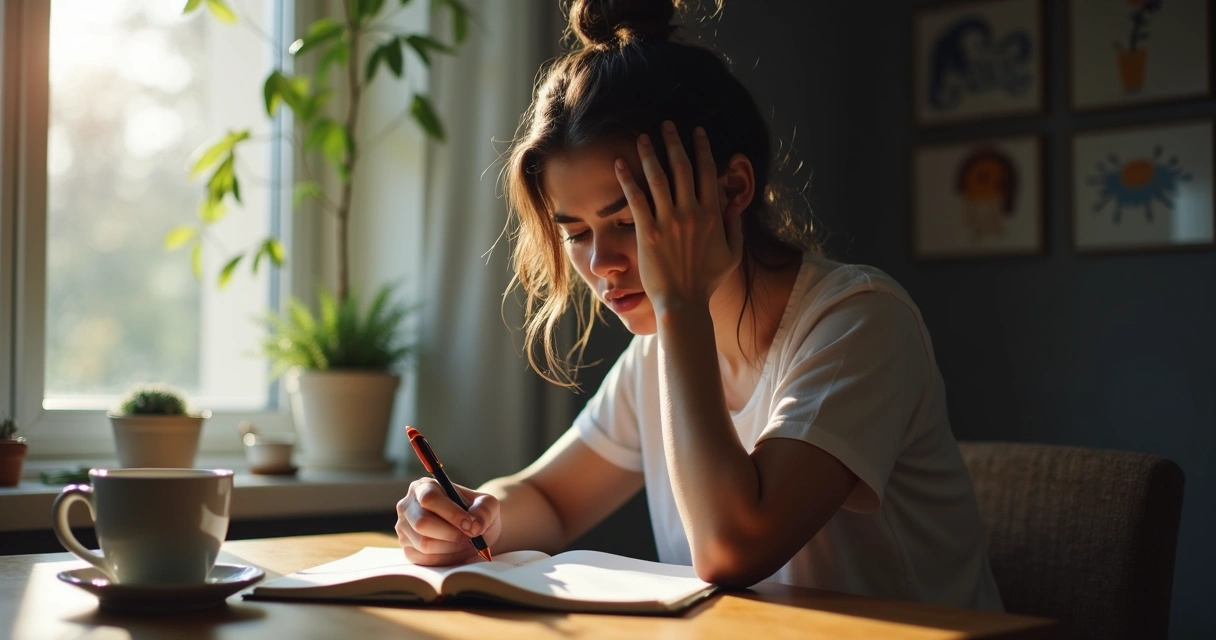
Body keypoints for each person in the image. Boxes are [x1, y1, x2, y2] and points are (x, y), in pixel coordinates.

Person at [396, 0, 1004, 611]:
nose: (600, 263)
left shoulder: (858, 321)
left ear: (731, 190)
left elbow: (733, 547)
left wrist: (681, 305)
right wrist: (475, 516)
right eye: (576, 233)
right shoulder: (659, 350)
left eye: (627, 218)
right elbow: (552, 499)